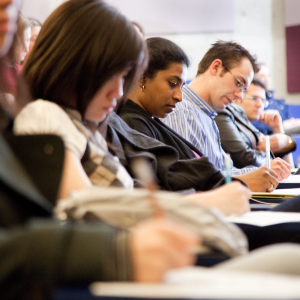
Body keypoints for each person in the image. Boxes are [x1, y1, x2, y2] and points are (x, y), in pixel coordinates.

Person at [161, 41, 292, 189]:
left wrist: (263, 171)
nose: (239, 96)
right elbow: (187, 181)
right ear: (216, 67)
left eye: (244, 90)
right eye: (238, 83)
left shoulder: (206, 114)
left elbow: (225, 172)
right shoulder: (180, 110)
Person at [215, 77, 296, 168]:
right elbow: (247, 161)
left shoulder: (253, 129)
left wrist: (277, 128)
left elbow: (289, 170)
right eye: (254, 98)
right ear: (238, 98)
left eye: (263, 100)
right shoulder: (226, 120)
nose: (260, 105)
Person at [253, 63, 300, 135]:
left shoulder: (279, 103)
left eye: (269, 76)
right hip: (270, 135)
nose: (266, 79)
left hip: (287, 135)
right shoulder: (254, 102)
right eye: (262, 76)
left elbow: (290, 121)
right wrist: (280, 125)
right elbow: (253, 124)